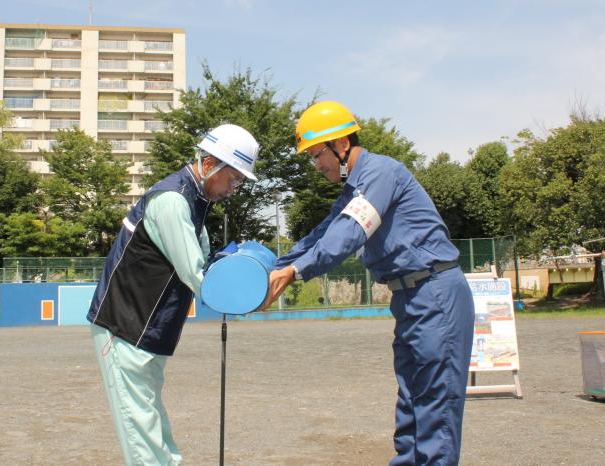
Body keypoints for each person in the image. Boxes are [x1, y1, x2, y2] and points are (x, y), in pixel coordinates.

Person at [264, 101, 475, 465]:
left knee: (434, 407)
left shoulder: (380, 174)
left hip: (435, 291)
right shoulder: (353, 190)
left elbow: (346, 235)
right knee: (411, 402)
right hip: (409, 298)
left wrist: (295, 273)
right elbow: (321, 235)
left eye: (317, 155)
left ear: (341, 144)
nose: (317, 166)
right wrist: (270, 266)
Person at [87, 124, 260, 466]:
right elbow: (198, 276)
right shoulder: (172, 201)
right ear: (210, 164)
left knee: (155, 433)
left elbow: (208, 263)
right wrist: (247, 294)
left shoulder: (195, 203)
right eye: (234, 178)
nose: (234, 188)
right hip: (125, 328)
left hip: (148, 332)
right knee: (144, 443)